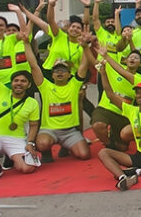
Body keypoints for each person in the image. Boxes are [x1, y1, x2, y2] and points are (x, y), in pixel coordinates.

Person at [22, 31, 92, 162]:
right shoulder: (45, 86)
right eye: (56, 70)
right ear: (52, 74)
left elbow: (84, 64)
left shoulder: (74, 84)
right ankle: (46, 152)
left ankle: (66, 146)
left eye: (63, 70)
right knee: (42, 143)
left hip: (70, 131)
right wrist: (26, 43)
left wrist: (85, 46)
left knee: (84, 155)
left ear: (69, 74)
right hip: (49, 130)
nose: (60, 72)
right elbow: (33, 65)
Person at [0, 67, 43, 182]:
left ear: (29, 85)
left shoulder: (32, 103)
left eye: (23, 81)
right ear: (11, 83)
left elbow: (34, 125)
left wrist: (30, 143)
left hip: (16, 139)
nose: (19, 83)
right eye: (16, 81)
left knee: (27, 168)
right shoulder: (0, 90)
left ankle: (11, 156)